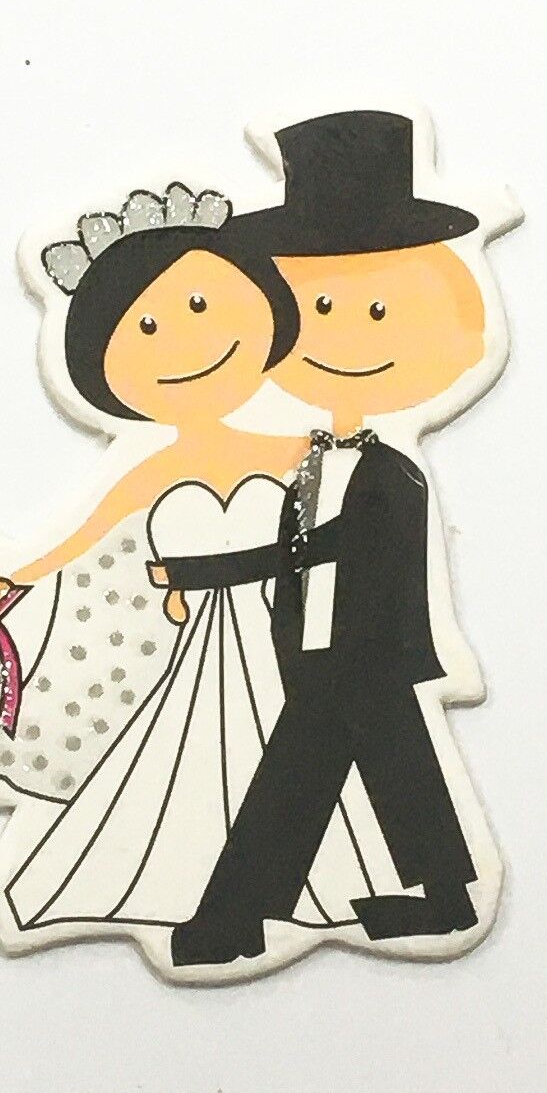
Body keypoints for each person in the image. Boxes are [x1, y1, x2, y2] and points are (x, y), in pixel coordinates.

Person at [0, 183, 402, 935]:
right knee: (199, 756)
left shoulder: (300, 448)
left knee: (305, 753)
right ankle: (211, 887)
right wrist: (6, 581)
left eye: (199, 306)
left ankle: (309, 883)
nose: (185, 340)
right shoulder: (151, 470)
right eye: (147, 327)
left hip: (294, 636)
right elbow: (79, 539)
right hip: (205, 644)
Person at [151, 112, 490, 966]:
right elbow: (303, 557)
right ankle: (445, 900)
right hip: (320, 655)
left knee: (302, 785)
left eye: (378, 309)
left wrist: (201, 569)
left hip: (363, 656)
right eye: (319, 307)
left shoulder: (390, 474)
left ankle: (232, 920)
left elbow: (319, 552)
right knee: (393, 779)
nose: (343, 333)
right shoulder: (310, 464)